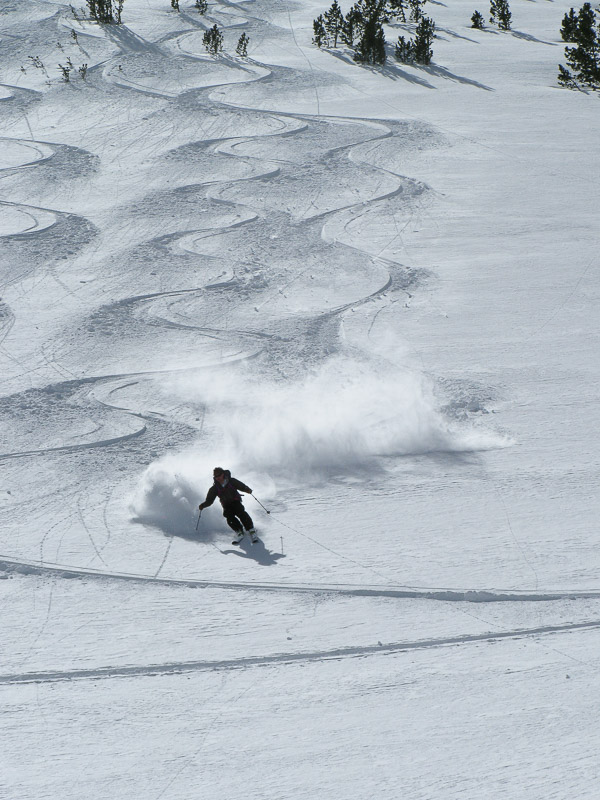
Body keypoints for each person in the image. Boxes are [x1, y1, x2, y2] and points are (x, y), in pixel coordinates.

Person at [199, 467, 258, 544]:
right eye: (216, 476)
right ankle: (239, 531)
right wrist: (203, 505)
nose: (218, 478)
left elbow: (241, 486)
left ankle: (251, 530)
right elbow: (209, 500)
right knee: (228, 515)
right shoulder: (214, 488)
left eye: (219, 475)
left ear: (223, 474)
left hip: (235, 500)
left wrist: (247, 489)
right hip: (226, 504)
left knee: (240, 511)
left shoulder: (231, 481)